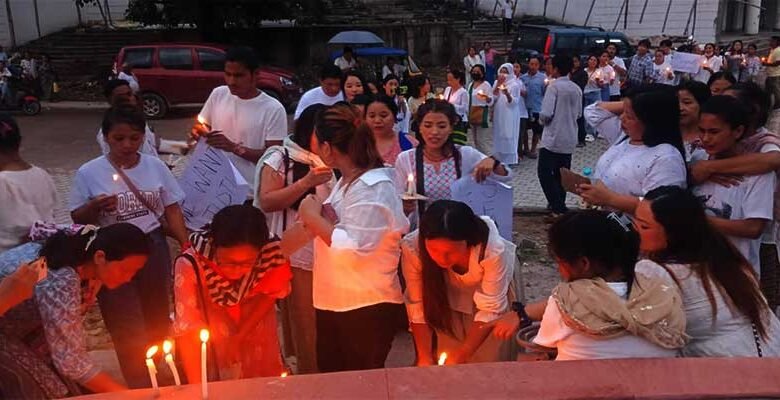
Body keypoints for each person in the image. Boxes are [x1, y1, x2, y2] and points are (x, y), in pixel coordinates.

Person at [69, 106, 188, 388]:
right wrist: (94, 207)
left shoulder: (155, 166)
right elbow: (76, 216)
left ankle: (158, 366)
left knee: (157, 313)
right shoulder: (89, 172)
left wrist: (184, 244)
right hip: (111, 255)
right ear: (105, 137)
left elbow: (171, 209)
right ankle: (138, 380)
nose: (126, 145)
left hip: (151, 246)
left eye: (134, 138)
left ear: (143, 137)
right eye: (118, 138)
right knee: (125, 319)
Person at [296, 103, 408, 373]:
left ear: (327, 148)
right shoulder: (348, 181)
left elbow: (351, 249)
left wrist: (311, 216)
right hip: (335, 300)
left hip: (366, 306)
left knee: (359, 386)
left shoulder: (374, 186)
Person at [0, 223, 149, 396]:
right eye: (125, 270)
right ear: (100, 257)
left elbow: (67, 341)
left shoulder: (86, 257)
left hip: (20, 330)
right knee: (43, 389)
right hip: (5, 331)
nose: (129, 278)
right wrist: (127, 395)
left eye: (134, 272)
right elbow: (70, 360)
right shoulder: (61, 275)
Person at [635, 186, 780, 357]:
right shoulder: (727, 258)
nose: (635, 231)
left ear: (674, 233)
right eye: (635, 223)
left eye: (644, 227)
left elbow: (646, 331)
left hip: (733, 375)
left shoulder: (653, 271)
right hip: (770, 358)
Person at [533, 210, 686, 360]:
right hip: (656, 382)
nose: (560, 268)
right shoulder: (664, 293)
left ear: (583, 263)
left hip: (583, 383)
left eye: (560, 262)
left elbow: (544, 344)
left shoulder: (565, 299)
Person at [255, 104, 334, 374]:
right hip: (299, 251)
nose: (327, 139)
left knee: (330, 319)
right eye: (321, 132)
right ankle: (308, 373)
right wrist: (305, 182)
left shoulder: (336, 157)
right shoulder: (281, 158)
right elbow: (266, 201)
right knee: (304, 320)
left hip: (332, 249)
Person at [174, 205, 292, 381]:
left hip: (257, 329)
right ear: (214, 245)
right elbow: (187, 329)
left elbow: (271, 294)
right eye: (228, 262)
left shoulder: (272, 252)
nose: (237, 271)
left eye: (247, 263)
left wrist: (240, 336)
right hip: (213, 339)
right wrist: (198, 388)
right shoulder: (192, 263)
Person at [691, 83, 780, 312]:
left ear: (738, 130)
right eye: (702, 131)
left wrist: (696, 220)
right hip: (696, 271)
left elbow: (753, 228)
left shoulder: (760, 164)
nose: (706, 139)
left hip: (737, 274)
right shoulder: (699, 158)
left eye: (714, 132)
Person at [402, 200, 517, 365]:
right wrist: (424, 356)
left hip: (491, 303)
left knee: (489, 358)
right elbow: (417, 305)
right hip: (449, 292)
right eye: (434, 250)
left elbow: (490, 308)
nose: (442, 259)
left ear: (468, 241)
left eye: (450, 252)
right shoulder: (413, 247)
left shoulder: (491, 250)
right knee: (448, 346)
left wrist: (463, 354)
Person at [194, 46, 287, 199]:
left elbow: (274, 158)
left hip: (249, 193)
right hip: (214, 189)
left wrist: (234, 147)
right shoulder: (219, 94)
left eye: (238, 76)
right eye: (227, 74)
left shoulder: (273, 109)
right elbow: (203, 126)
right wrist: (199, 133)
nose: (231, 81)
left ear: (255, 75)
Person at [394, 100, 509, 222]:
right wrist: (405, 207)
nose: (434, 132)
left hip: (459, 230)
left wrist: (493, 162)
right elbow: (397, 201)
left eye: (442, 126)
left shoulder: (465, 155)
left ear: (451, 128)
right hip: (422, 231)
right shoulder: (406, 159)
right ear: (420, 128)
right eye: (428, 125)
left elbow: (505, 176)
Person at [580, 86, 687, 214]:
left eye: (629, 116)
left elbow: (663, 209)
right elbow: (592, 112)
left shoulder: (666, 158)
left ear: (651, 121)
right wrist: (630, 103)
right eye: (622, 112)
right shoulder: (624, 137)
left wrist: (610, 199)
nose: (621, 118)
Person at [0, 115, 56, 253]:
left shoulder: (3, 182)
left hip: (8, 268)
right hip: (42, 262)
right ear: (19, 142)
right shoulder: (42, 175)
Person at [537, 55, 582, 218]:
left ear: (556, 69)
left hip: (553, 138)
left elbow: (546, 114)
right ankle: (558, 205)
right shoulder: (576, 88)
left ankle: (558, 207)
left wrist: (540, 120)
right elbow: (578, 114)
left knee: (544, 172)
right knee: (561, 174)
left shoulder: (554, 87)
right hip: (569, 137)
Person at [97, 79, 158, 157]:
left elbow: (151, 147)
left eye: (129, 94)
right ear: (110, 101)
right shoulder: (108, 132)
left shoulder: (138, 121)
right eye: (121, 98)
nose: (127, 99)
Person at [367, 96, 415, 166]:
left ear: (394, 116)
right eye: (372, 116)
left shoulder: (409, 143)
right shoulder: (357, 145)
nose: (377, 120)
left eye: (383, 116)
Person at [493, 63, 525, 164]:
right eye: (501, 71)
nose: (503, 74)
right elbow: (493, 96)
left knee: (508, 133)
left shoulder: (514, 85)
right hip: (499, 112)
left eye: (506, 72)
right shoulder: (496, 82)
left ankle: (509, 159)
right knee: (500, 132)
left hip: (510, 113)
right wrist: (498, 85)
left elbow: (515, 102)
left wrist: (507, 94)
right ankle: (499, 157)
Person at [677, 80, 711, 163]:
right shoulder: (665, 134)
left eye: (687, 102)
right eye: (675, 102)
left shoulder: (710, 137)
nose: (680, 108)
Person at [520, 56, 547, 158]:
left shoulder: (542, 78)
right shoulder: (523, 78)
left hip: (537, 107)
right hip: (525, 108)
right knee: (525, 130)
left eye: (535, 64)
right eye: (531, 64)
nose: (533, 66)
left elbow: (545, 92)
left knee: (536, 130)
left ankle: (533, 149)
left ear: (539, 66)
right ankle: (526, 148)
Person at [468, 65, 493, 148]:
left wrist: (485, 97)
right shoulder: (470, 85)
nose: (475, 73)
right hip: (472, 113)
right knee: (475, 140)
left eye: (477, 72)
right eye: (473, 71)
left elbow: (491, 101)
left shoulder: (486, 85)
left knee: (482, 140)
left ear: (482, 74)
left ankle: (488, 158)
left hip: (482, 114)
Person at [570, 56, 588, 147]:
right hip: (568, 98)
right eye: (573, 61)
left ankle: (581, 139)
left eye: (576, 61)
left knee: (579, 118)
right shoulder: (568, 73)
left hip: (578, 97)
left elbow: (581, 85)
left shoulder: (583, 73)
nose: (574, 63)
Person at [765, 36, 780, 110]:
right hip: (770, 73)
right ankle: (767, 102)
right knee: (768, 89)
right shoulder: (772, 49)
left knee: (775, 89)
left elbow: (777, 63)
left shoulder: (778, 50)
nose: (770, 42)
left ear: (777, 42)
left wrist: (766, 64)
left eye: (772, 41)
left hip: (775, 74)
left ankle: (778, 103)